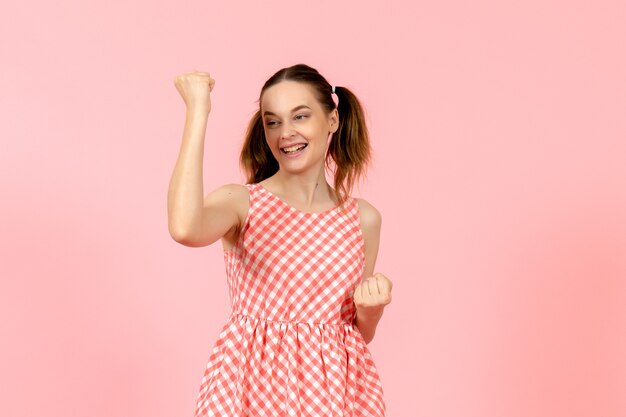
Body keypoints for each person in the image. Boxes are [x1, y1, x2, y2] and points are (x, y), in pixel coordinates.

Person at [168, 63, 393, 417]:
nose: (285, 132)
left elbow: (356, 336)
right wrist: (198, 111)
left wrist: (371, 310)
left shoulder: (362, 219)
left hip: (333, 394)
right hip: (248, 388)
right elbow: (185, 228)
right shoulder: (242, 203)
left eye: (300, 117)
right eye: (272, 121)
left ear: (332, 120)